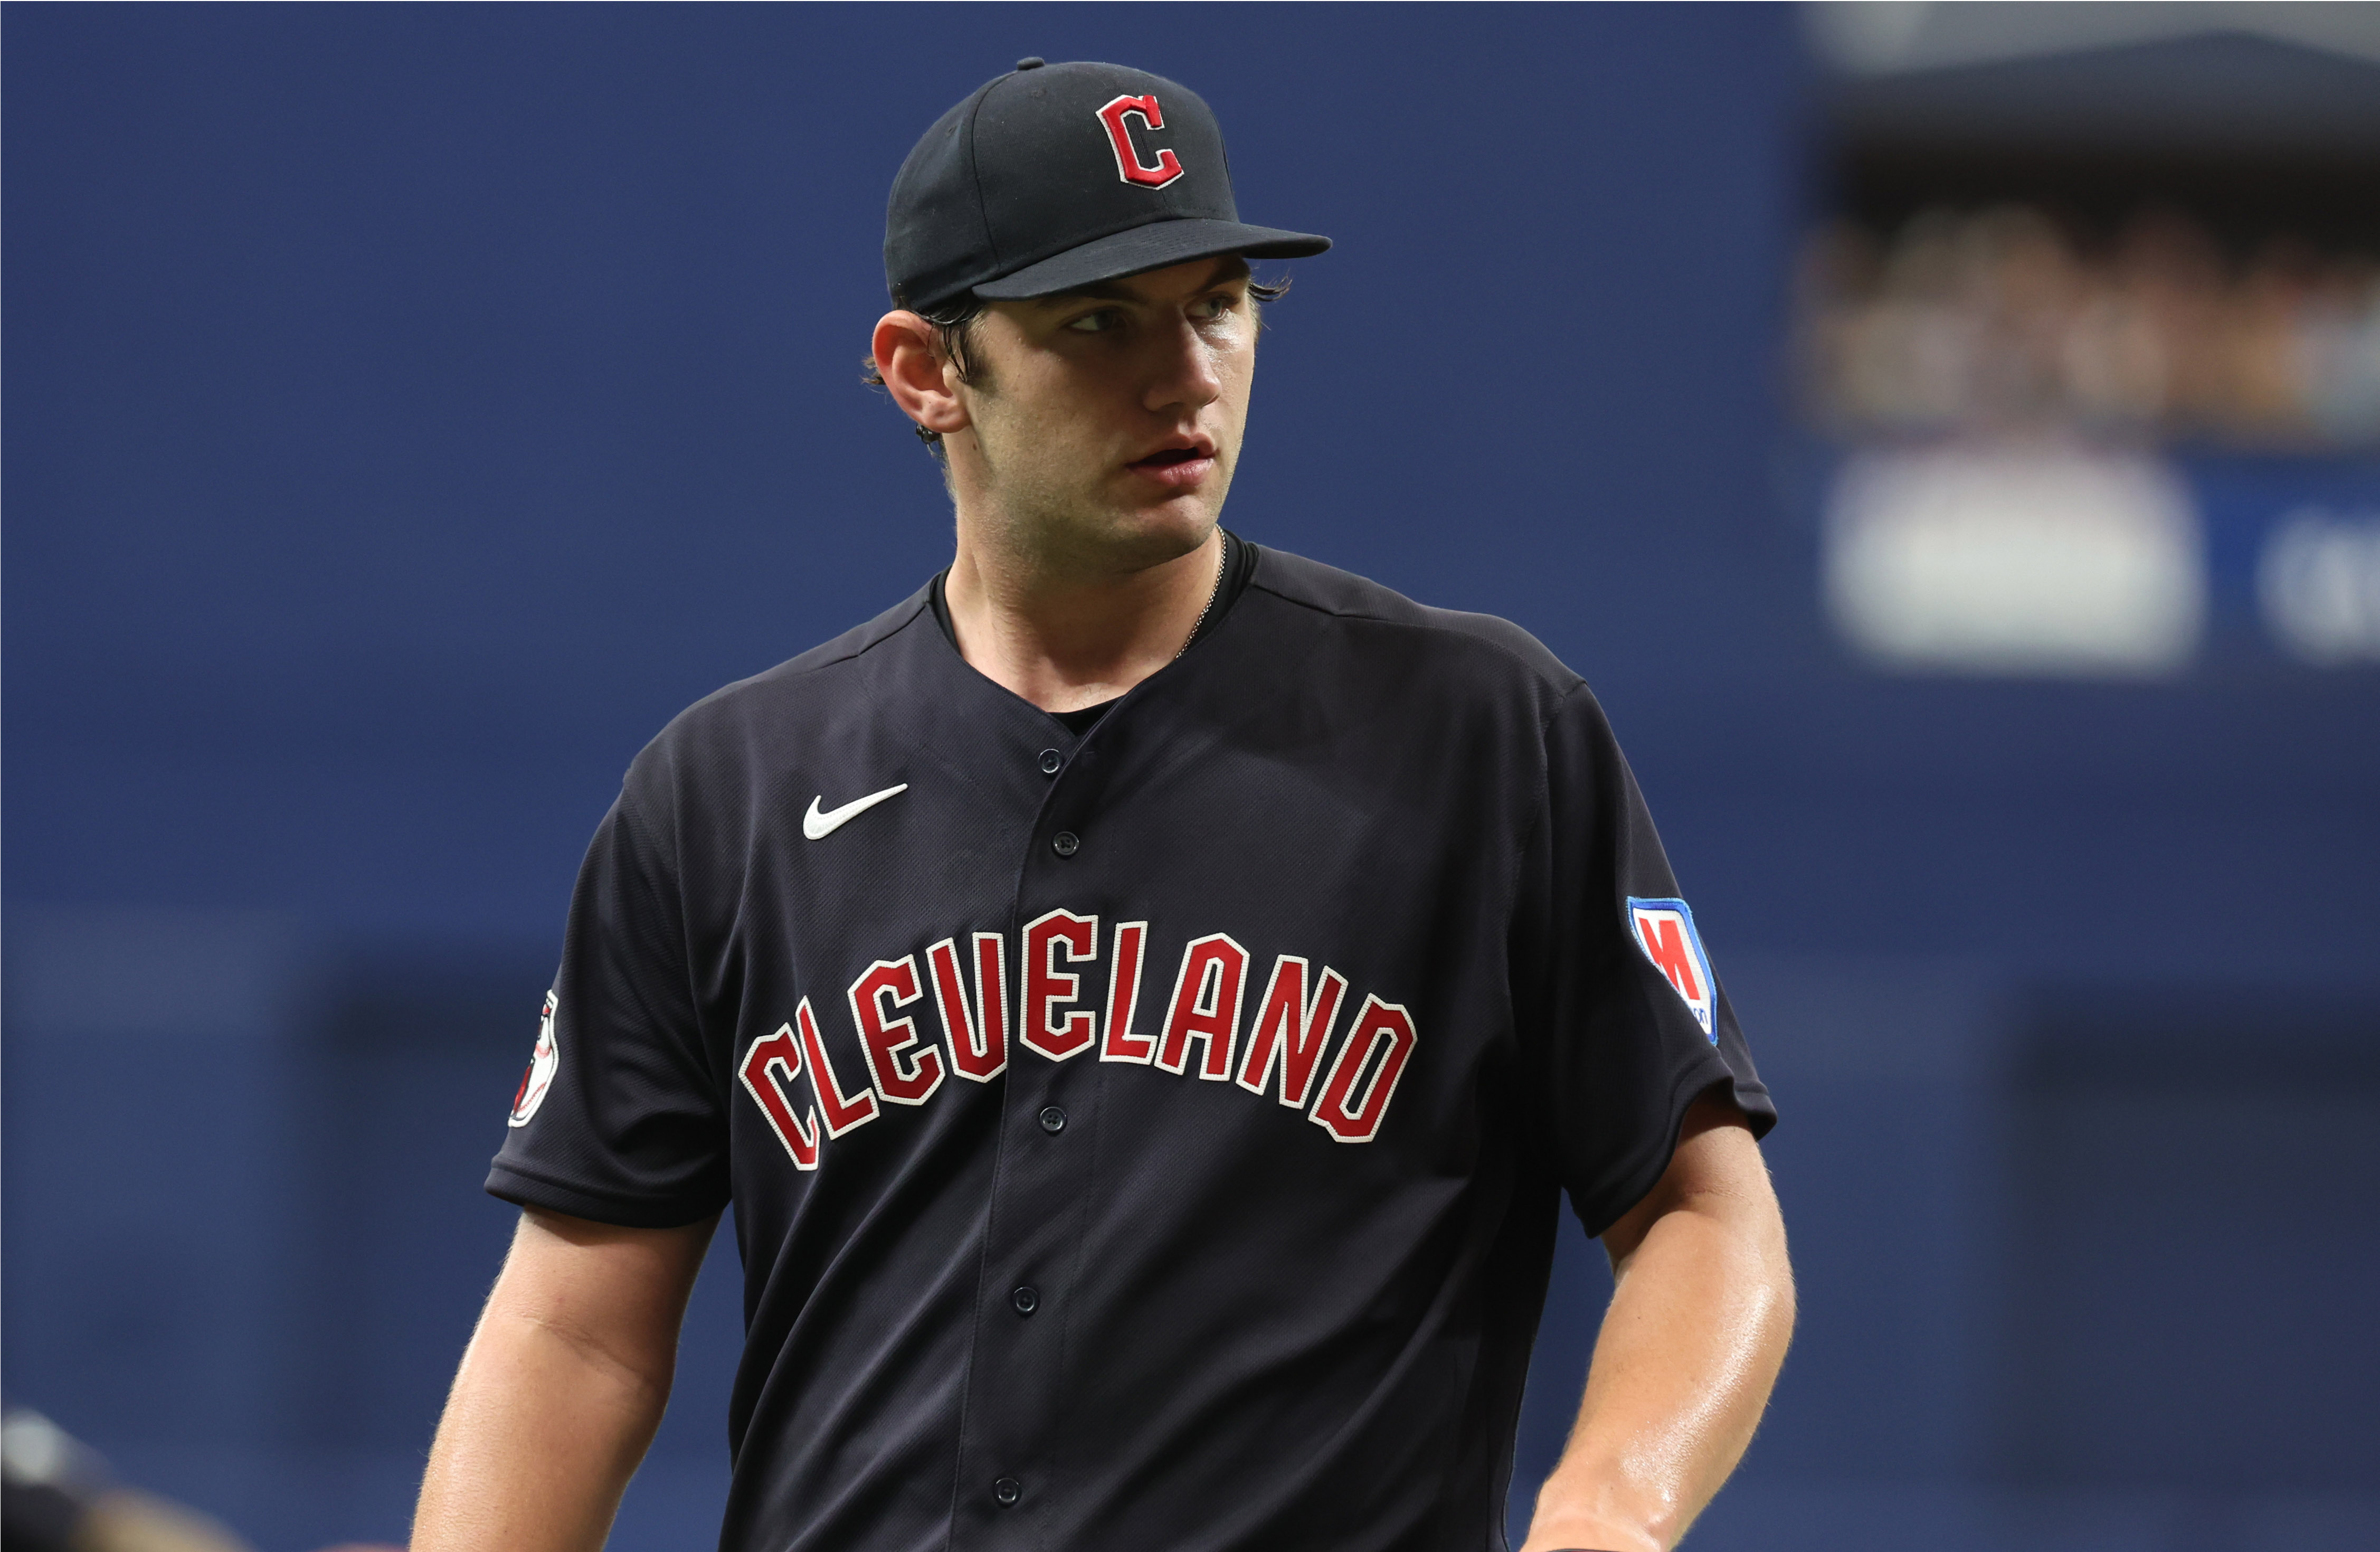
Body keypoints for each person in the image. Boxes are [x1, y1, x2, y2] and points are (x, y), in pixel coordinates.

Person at [414, 58, 1791, 1552]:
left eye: (1219, 302)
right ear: (925, 371)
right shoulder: (727, 790)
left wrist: (1612, 1502)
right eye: (1098, 320)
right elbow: (576, 1334)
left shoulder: (1483, 733)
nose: (1187, 369)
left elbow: (1706, 1217)